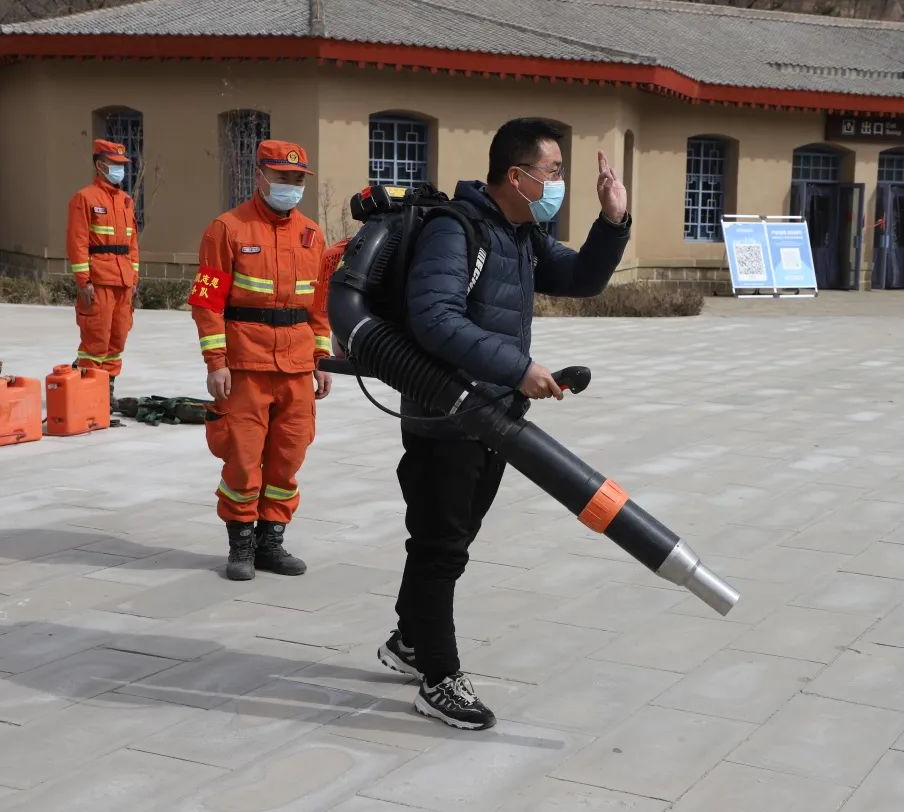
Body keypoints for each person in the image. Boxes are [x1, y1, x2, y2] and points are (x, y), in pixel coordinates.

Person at [377, 118, 630, 730]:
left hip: (487, 415)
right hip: (445, 415)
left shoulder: (518, 233)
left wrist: (613, 219)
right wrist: (519, 369)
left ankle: (410, 641)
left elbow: (582, 279)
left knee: (449, 540)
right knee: (440, 547)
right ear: (516, 177)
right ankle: (438, 678)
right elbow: (435, 318)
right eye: (552, 172)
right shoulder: (455, 230)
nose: (558, 184)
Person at [190, 139, 333, 581]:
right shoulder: (226, 228)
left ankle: (272, 542)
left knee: (288, 457)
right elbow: (206, 301)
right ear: (260, 176)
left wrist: (323, 356)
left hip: (296, 365)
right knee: (242, 457)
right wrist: (216, 362)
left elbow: (321, 304)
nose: (290, 185)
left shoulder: (312, 234)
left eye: (296, 179)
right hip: (245, 366)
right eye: (282, 177)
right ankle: (241, 546)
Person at [66, 138, 140, 408]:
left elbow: (132, 243)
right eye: (115, 164)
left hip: (122, 280)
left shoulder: (125, 201)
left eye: (122, 164)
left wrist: (134, 278)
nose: (121, 169)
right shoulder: (84, 198)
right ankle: (89, 399)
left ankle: (105, 397)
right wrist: (83, 280)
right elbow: (78, 241)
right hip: (98, 281)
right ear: (100, 165)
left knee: (117, 339)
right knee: (96, 341)